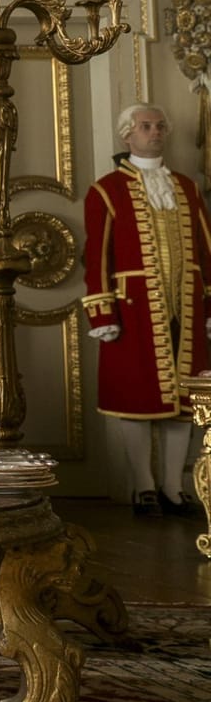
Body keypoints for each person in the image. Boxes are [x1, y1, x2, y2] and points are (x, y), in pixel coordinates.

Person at [80, 102, 211, 515]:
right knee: (136, 401)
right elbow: (97, 257)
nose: (155, 132)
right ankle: (143, 487)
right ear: (127, 135)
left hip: (186, 307)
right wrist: (102, 315)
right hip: (132, 310)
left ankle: (174, 488)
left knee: (183, 402)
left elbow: (206, 253)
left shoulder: (187, 188)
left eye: (160, 126)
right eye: (146, 126)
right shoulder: (107, 189)